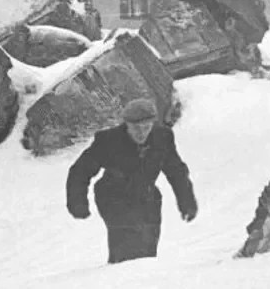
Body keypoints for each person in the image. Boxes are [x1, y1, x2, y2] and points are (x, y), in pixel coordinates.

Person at [65, 98, 198, 264]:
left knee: (148, 249)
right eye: (136, 128)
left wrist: (187, 201)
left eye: (146, 127)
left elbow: (176, 171)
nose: (141, 133)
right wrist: (77, 203)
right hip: (113, 195)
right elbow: (80, 171)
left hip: (147, 196)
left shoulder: (162, 138)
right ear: (126, 125)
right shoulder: (108, 141)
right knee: (127, 247)